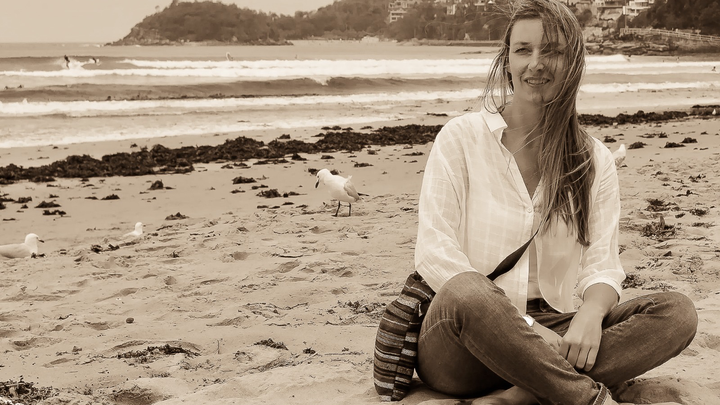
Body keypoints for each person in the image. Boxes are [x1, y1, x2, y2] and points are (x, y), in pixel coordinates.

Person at [413, 1, 698, 404]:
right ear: (507, 60)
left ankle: (519, 397)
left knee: (676, 313)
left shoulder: (593, 159)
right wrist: (527, 328)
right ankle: (582, 396)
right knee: (467, 289)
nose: (536, 63)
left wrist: (591, 314)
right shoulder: (461, 138)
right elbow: (434, 252)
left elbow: (602, 264)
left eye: (552, 51)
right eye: (523, 50)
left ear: (573, 61)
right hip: (465, 338)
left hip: (555, 328)